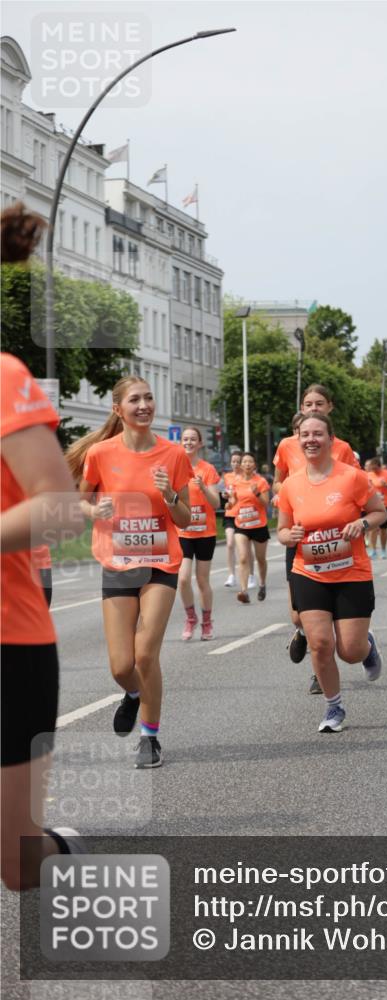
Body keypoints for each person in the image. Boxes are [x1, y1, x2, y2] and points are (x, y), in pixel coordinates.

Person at [1, 203, 88, 889]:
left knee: (16, 866)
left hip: (9, 644)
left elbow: (59, 507)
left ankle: (58, 854)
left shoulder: (5, 379)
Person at [67, 376, 192, 769]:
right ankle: (134, 695)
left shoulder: (173, 455)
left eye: (149, 398)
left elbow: (185, 519)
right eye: (135, 400)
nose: (144, 405)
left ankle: (150, 737)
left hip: (160, 562)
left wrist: (170, 494)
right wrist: (94, 511)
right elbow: (80, 501)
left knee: (144, 654)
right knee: (121, 666)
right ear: (118, 410)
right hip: (118, 562)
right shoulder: (101, 454)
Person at [277, 414, 386, 733]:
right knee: (321, 644)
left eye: (318, 434)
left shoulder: (353, 477)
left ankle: (366, 646)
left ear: (330, 439)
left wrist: (362, 523)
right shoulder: (291, 485)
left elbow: (379, 512)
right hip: (308, 572)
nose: (310, 439)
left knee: (348, 651)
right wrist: (289, 537)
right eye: (305, 435)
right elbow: (282, 530)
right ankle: (333, 707)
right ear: (298, 440)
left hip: (351, 573)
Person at [273, 385, 357, 692]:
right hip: (299, 536)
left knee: (331, 614)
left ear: (329, 407)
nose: (313, 408)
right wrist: (279, 497)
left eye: (319, 404)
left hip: (335, 539)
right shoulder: (287, 445)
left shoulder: (342, 448)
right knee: (298, 615)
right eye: (308, 404)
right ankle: (305, 634)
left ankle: (319, 670)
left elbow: (356, 490)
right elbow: (278, 482)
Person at [177, 427, 221, 640]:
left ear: (200, 443)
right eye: (185, 439)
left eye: (193, 439)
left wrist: (203, 488)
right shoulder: (175, 467)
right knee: (183, 579)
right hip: (183, 532)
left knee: (202, 580)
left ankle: (207, 622)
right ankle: (190, 618)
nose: (189, 442)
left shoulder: (208, 469)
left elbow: (216, 503)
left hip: (205, 533)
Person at [225, 452, 270, 603]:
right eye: (244, 462)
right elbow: (232, 502)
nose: (247, 464)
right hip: (241, 524)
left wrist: (257, 493)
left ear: (255, 465)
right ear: (241, 465)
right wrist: (229, 504)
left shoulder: (261, 481)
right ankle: (243, 591)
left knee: (260, 559)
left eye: (250, 462)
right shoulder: (236, 482)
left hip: (259, 525)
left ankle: (262, 584)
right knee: (243, 557)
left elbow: (265, 503)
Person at [222, 451, 253, 589]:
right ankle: (231, 575)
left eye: (237, 461)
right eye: (232, 461)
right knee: (229, 544)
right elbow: (226, 493)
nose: (235, 464)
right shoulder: (227, 476)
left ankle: (251, 575)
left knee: (246, 549)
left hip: (244, 514)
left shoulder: (247, 477)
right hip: (230, 513)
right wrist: (224, 495)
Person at [366, 456, 387, 558]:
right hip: (373, 506)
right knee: (373, 528)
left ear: (379, 466)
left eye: (375, 468)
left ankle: (383, 549)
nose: (373, 470)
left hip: (386, 504)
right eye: (372, 468)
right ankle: (373, 550)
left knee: (383, 529)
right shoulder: (368, 475)